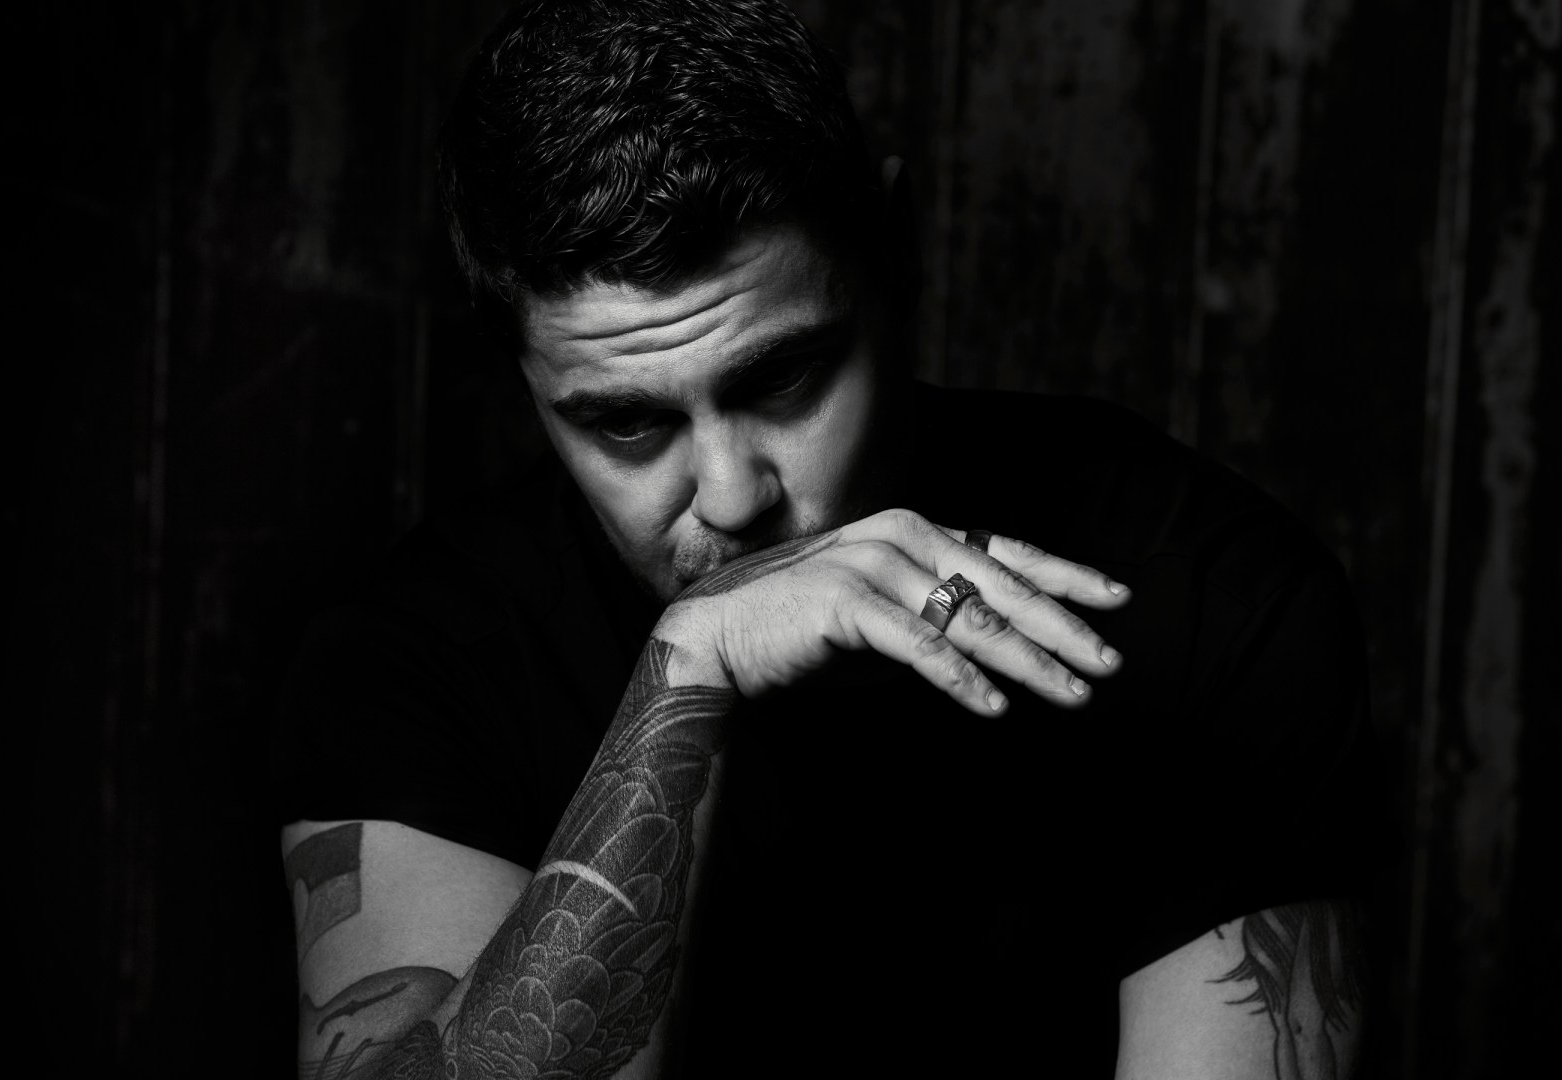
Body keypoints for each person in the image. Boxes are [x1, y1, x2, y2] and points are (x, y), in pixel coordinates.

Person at [269, 1, 1384, 1075]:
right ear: (523, 378)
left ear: (895, 253)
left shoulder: (1207, 600)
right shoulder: (416, 662)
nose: (730, 496)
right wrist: (689, 674)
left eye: (784, 376)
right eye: (627, 423)